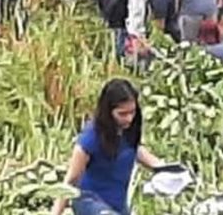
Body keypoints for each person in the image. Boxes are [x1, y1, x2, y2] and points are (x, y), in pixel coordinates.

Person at [51, 79, 167, 215]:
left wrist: (162, 167)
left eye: (132, 112)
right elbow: (71, 180)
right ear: (108, 111)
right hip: (89, 202)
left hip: (118, 204)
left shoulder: (129, 129)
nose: (129, 118)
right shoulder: (90, 137)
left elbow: (134, 149)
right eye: (122, 114)